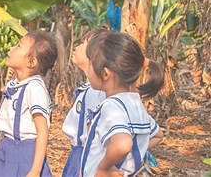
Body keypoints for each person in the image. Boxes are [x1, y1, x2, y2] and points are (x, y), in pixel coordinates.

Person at [80, 32, 164, 177]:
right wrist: (131, 157)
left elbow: (122, 145)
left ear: (105, 74)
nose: (88, 68)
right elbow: (157, 135)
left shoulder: (112, 107)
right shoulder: (135, 104)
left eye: (90, 64)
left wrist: (104, 168)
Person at [0, 31, 58, 177]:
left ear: (31, 62)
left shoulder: (34, 88)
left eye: (18, 46)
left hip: (26, 155)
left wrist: (35, 170)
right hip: (7, 149)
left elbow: (42, 131)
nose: (11, 49)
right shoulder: (14, 85)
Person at [61, 28, 108, 177]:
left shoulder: (96, 92)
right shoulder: (90, 90)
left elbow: (94, 136)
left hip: (84, 157)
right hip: (77, 155)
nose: (76, 47)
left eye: (83, 43)